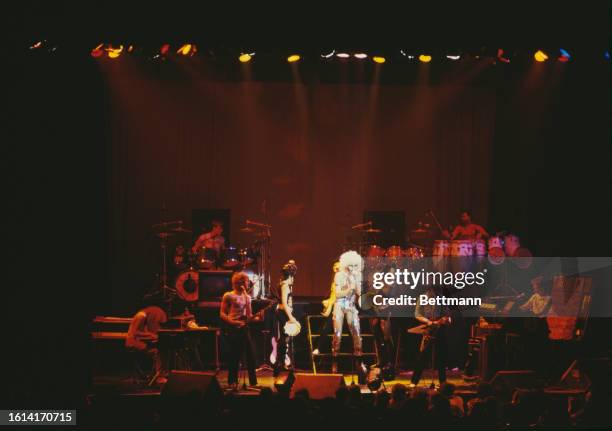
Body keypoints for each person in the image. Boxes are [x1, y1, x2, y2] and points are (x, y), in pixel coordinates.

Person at [220, 271, 260, 388]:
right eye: (245, 281)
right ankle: (232, 381)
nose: (247, 284)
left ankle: (253, 382)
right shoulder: (229, 295)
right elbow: (222, 313)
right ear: (237, 283)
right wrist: (231, 321)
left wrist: (256, 317)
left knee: (250, 355)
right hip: (233, 327)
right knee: (235, 355)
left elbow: (249, 315)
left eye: (247, 281)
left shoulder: (247, 297)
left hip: (244, 326)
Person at [332, 250, 366, 381]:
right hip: (340, 305)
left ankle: (359, 361)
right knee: (337, 333)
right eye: (350, 266)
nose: (352, 268)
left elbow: (359, 294)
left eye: (354, 266)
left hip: (351, 306)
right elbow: (338, 294)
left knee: (356, 331)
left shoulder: (357, 276)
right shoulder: (339, 275)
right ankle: (335, 361)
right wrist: (349, 288)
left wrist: (357, 287)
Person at [410, 286, 450, 388]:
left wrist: (444, 320)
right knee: (422, 356)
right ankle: (414, 381)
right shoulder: (422, 297)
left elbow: (447, 315)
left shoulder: (441, 298)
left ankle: (443, 382)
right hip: (428, 328)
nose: (433, 292)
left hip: (440, 329)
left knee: (442, 357)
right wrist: (428, 322)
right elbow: (417, 314)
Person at [125, 305, 168, 384]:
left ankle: (157, 375)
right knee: (156, 351)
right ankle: (159, 377)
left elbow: (141, 332)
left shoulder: (144, 316)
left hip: (138, 341)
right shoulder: (141, 316)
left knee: (159, 348)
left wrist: (150, 335)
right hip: (132, 342)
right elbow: (135, 332)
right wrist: (151, 335)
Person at [270, 260, 299, 377]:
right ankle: (279, 364)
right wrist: (291, 318)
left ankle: (280, 363)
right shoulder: (285, 285)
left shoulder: (285, 283)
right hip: (283, 312)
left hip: (284, 312)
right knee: (284, 339)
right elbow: (285, 303)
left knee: (285, 338)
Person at [312, 261, 340, 356]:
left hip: (342, 309)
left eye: (338, 266)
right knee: (325, 328)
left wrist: (329, 303)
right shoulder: (334, 280)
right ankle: (319, 348)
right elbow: (333, 296)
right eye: (334, 266)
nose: (336, 267)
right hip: (335, 308)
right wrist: (328, 302)